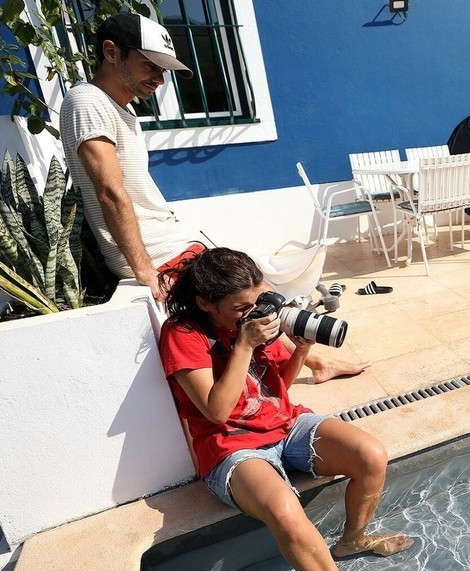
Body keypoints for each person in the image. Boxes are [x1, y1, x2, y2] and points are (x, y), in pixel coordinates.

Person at [60, 12, 365, 384]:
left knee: (261, 292)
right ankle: (307, 366)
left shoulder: (123, 112)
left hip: (172, 241)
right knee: (251, 302)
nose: (159, 79)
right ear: (111, 52)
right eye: (149, 66)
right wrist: (144, 269)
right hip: (159, 252)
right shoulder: (87, 101)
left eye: (163, 70)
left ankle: (313, 361)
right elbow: (110, 191)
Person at [158, 247, 413, 571]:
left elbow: (281, 383)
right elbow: (216, 411)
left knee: (370, 454)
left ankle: (352, 540)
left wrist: (300, 349)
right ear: (206, 303)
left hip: (286, 423)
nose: (253, 312)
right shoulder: (184, 333)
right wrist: (243, 345)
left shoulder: (256, 318)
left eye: (256, 300)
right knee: (283, 509)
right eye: (240, 308)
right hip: (231, 445)